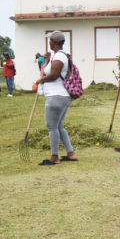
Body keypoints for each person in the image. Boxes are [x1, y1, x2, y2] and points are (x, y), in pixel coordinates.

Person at [34, 31, 78, 165]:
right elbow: (48, 71)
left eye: (50, 40)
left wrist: (40, 81)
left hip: (56, 96)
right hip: (61, 96)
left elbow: (54, 75)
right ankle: (71, 154)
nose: (49, 42)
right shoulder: (57, 55)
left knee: (52, 127)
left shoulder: (59, 56)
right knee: (59, 126)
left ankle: (54, 157)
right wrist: (47, 60)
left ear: (54, 42)